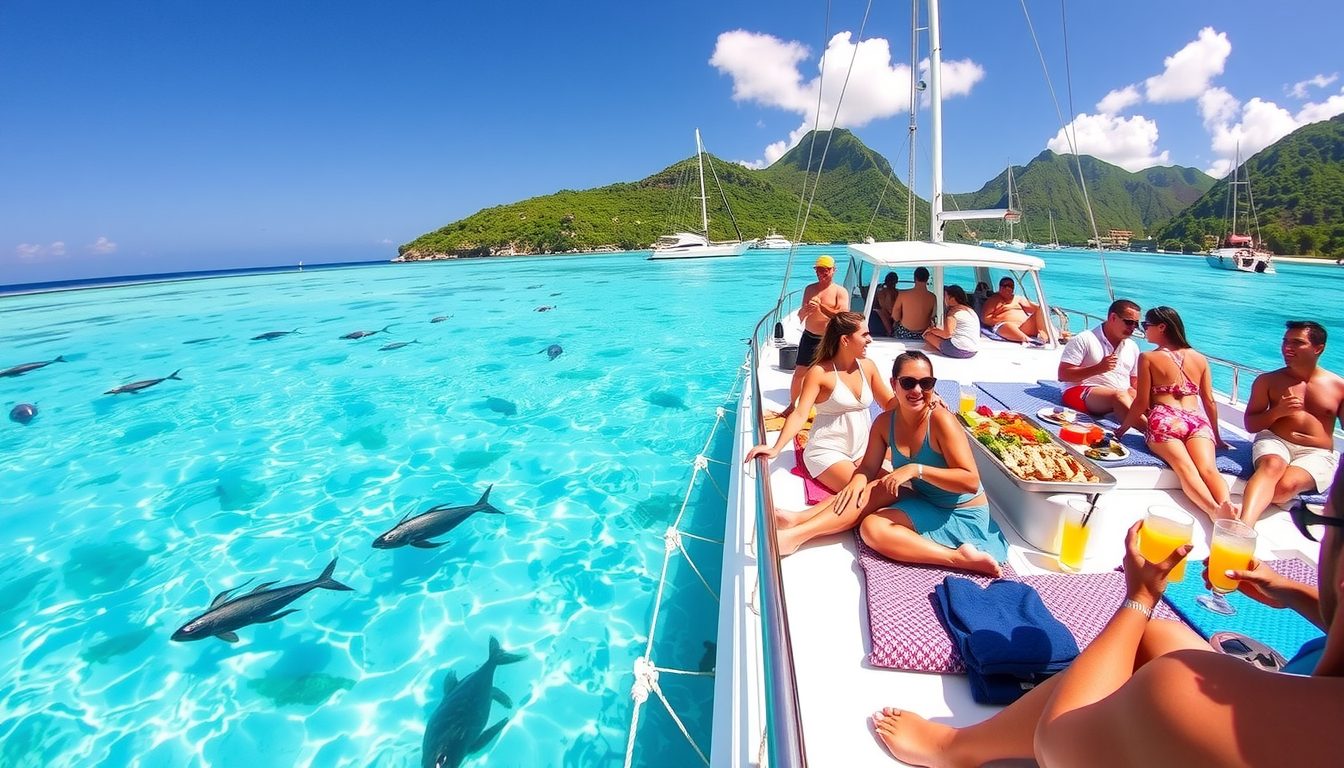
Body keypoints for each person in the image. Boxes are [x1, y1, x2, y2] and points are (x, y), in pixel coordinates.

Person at [870, 461, 1344, 768]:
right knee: (1160, 636)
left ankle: (955, 749)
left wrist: (1139, 598)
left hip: (1081, 740)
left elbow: (1058, 743)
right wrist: (1299, 595)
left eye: (1318, 519)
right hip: (1302, 693)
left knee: (1152, 649)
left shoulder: (1178, 692)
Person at [775, 351, 1007, 575]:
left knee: (872, 528)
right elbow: (867, 468)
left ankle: (957, 558)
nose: (917, 390)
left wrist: (915, 470)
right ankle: (799, 525)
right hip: (925, 500)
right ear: (893, 384)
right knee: (872, 493)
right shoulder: (885, 423)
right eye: (908, 383)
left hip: (962, 513)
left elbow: (970, 481)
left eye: (926, 383)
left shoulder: (940, 421)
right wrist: (858, 481)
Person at [746, 312, 896, 494]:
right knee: (865, 494)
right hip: (828, 452)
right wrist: (775, 448)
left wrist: (919, 395)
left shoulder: (867, 366)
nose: (870, 339)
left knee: (895, 488)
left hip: (864, 449)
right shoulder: (819, 373)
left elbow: (889, 403)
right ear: (845, 340)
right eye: (864, 334)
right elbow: (800, 413)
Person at [1115, 307, 1236, 520]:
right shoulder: (1200, 358)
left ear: (1162, 327)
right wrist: (1217, 437)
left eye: (1146, 325)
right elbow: (1209, 401)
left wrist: (1122, 429)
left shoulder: (1148, 358)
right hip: (1197, 421)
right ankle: (1227, 507)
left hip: (1166, 420)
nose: (1143, 330)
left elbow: (1141, 402)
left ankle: (1213, 510)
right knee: (1209, 470)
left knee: (1185, 467)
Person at [1240, 320, 1343, 527]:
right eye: (1285, 341)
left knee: (1284, 488)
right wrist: (1278, 412)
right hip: (1275, 440)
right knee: (1272, 465)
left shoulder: (1338, 387)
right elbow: (1251, 424)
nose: (1287, 347)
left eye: (1297, 342)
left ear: (1318, 348)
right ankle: (1242, 527)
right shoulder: (1267, 381)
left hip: (1317, 452)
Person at [775, 255, 851, 419]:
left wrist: (821, 307)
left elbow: (842, 316)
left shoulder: (840, 291)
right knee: (799, 373)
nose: (821, 273)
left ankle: (832, 406)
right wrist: (806, 310)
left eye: (825, 270)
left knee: (831, 373)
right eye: (819, 270)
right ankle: (792, 405)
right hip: (809, 337)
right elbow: (801, 315)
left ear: (834, 270)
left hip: (829, 339)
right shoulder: (810, 289)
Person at [1056, 298, 1140, 421]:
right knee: (1119, 396)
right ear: (1113, 318)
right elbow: (1063, 375)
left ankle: (1159, 427)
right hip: (1080, 392)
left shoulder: (1132, 346)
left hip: (1120, 396)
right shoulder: (1084, 339)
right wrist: (1098, 368)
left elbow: (1134, 380)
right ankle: (1149, 429)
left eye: (1136, 324)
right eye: (1129, 322)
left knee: (1137, 396)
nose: (1132, 327)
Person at [980, 276, 1045, 343]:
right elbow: (985, 319)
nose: (1008, 288)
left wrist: (1042, 309)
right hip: (1006, 327)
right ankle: (1029, 341)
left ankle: (1045, 337)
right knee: (1007, 325)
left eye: (1011, 286)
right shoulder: (994, 300)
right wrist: (1002, 320)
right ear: (1000, 287)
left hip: (1024, 327)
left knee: (1041, 311)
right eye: (1006, 286)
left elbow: (1034, 309)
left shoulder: (1018, 299)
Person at [922, 284, 979, 359]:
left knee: (928, 335)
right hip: (973, 350)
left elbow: (947, 334)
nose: (944, 299)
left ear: (952, 298)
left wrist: (931, 330)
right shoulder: (969, 310)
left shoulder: (953, 312)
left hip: (959, 349)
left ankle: (934, 354)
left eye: (945, 296)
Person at [890, 266, 936, 341]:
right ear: (927, 279)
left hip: (904, 333)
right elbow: (933, 316)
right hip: (923, 334)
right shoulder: (933, 297)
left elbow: (895, 316)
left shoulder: (903, 295)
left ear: (914, 278)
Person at [873, 272, 901, 336]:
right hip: (889, 313)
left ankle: (890, 331)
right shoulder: (894, 292)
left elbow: (875, 304)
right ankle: (891, 331)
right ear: (896, 282)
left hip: (884, 313)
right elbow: (890, 307)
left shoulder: (879, 291)